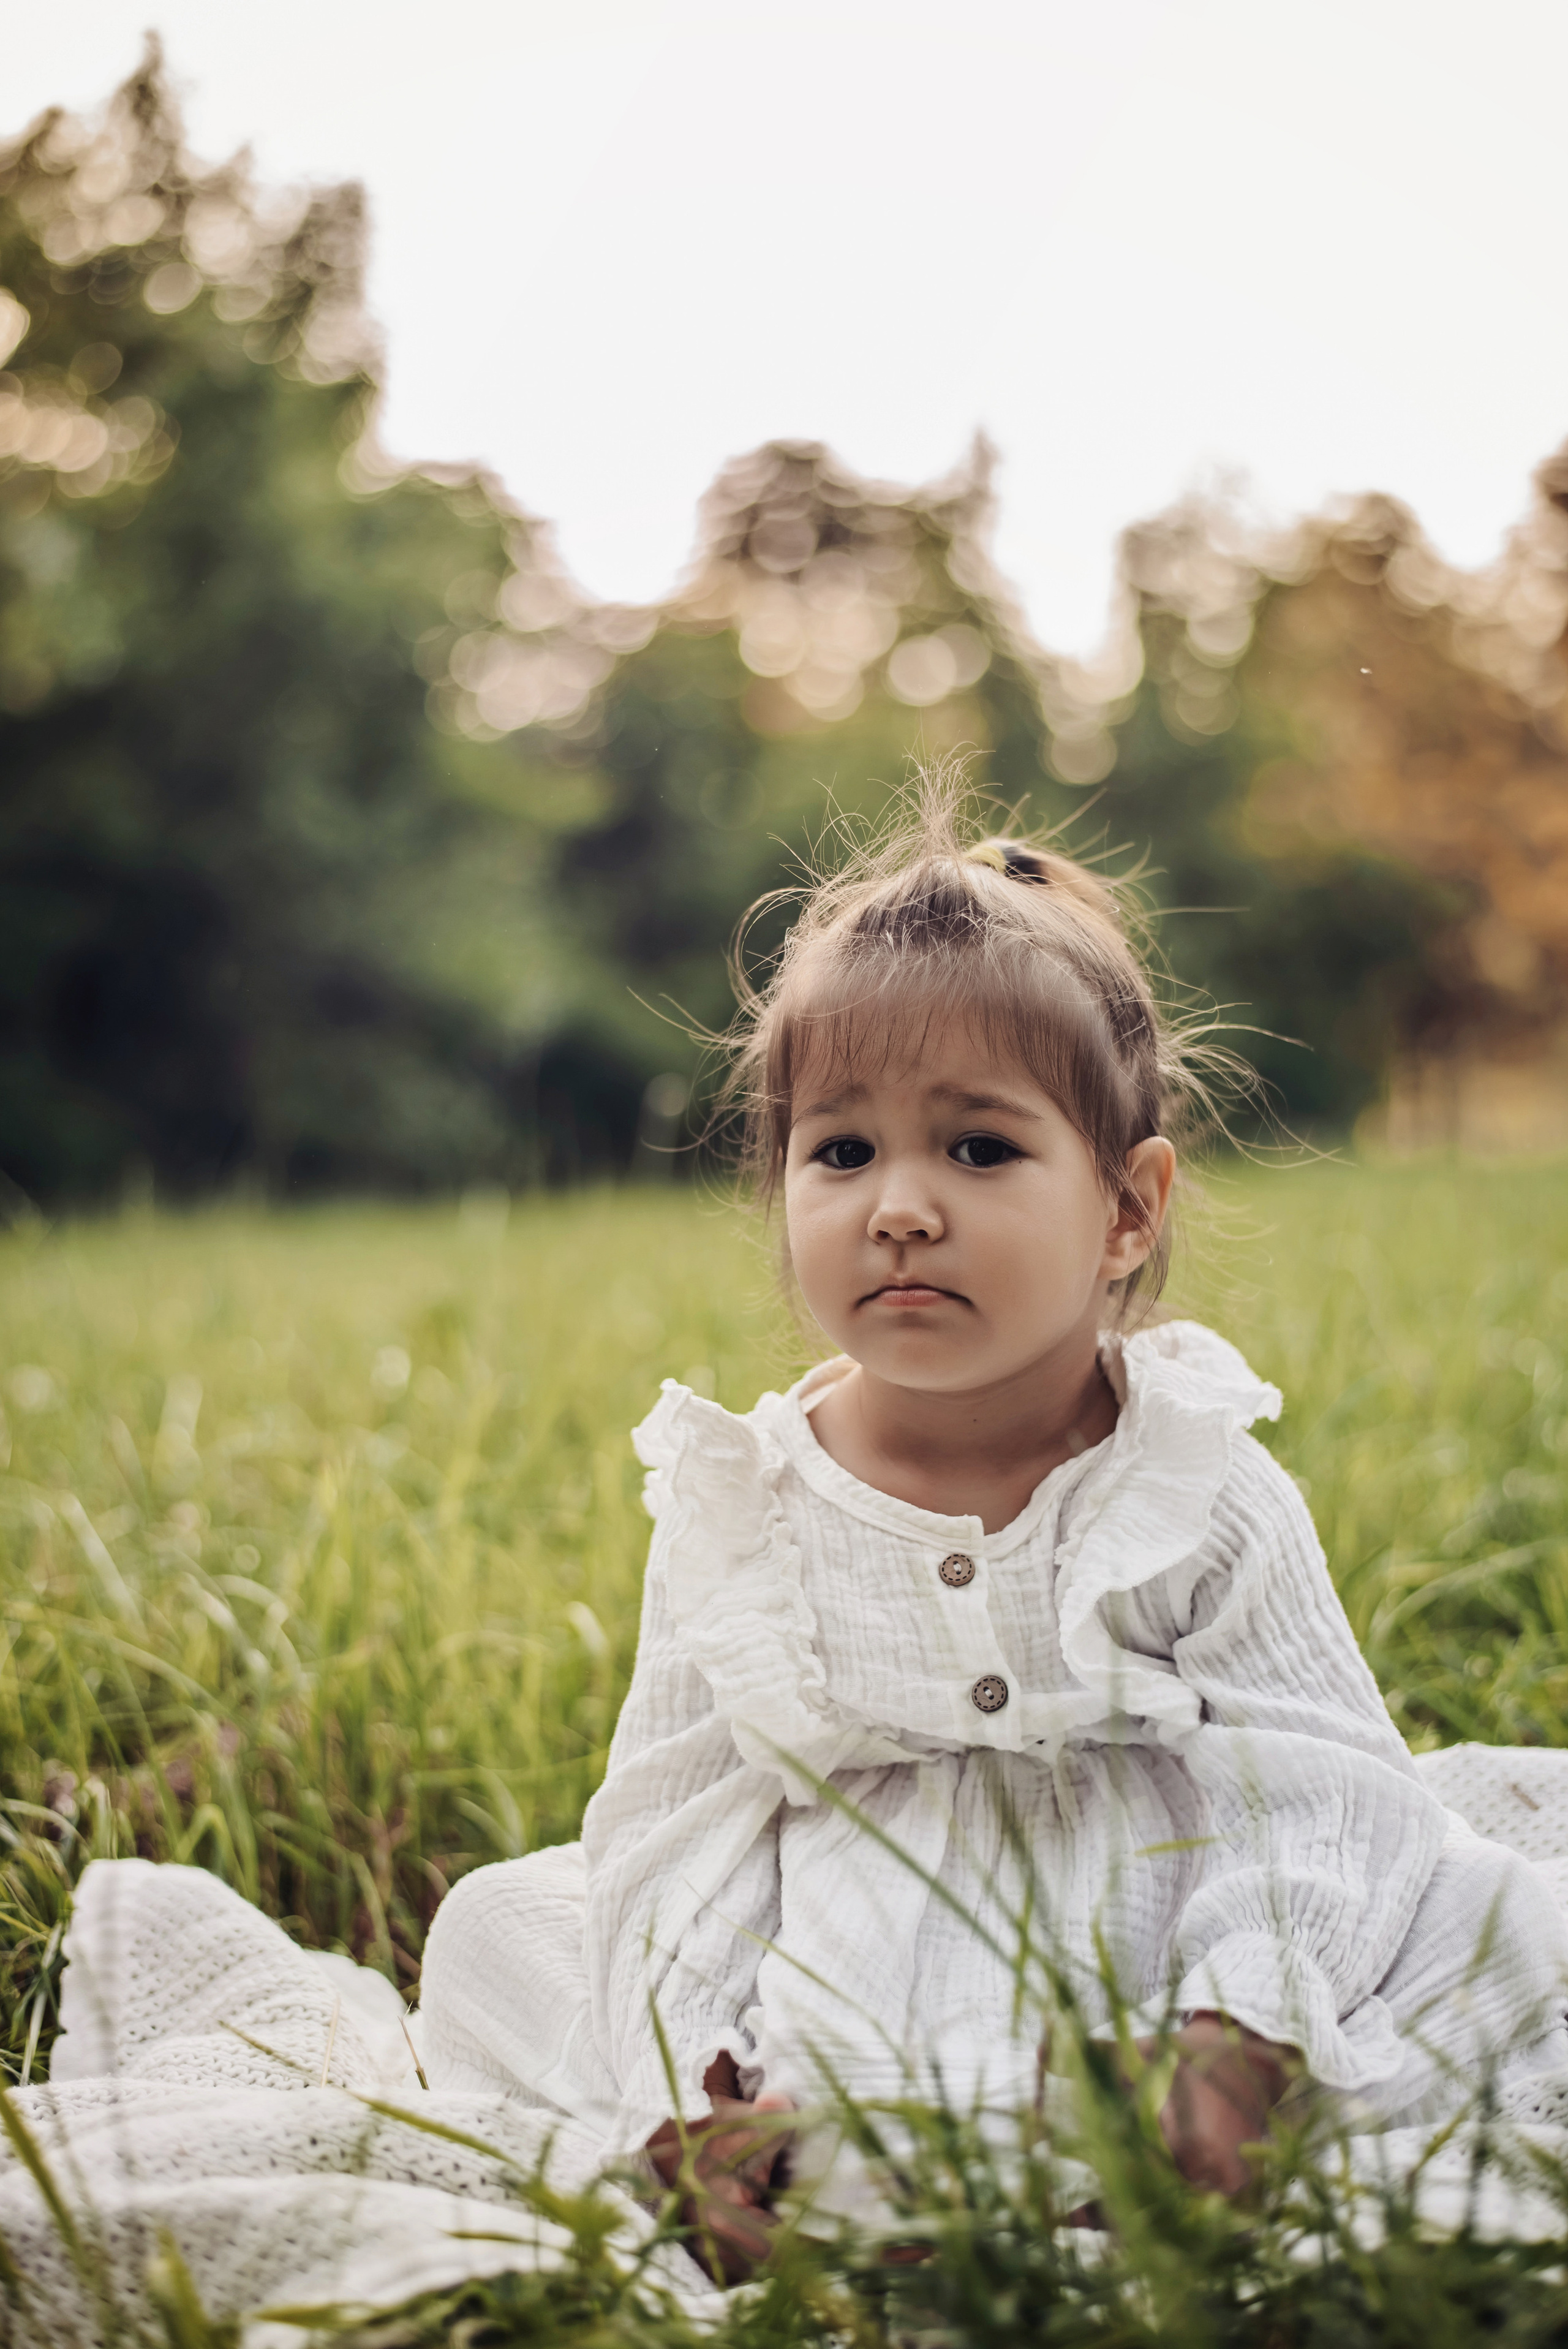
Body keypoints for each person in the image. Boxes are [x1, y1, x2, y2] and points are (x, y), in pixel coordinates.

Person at [415, 784, 1568, 2277]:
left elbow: (1312, 1776)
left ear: (1126, 1211)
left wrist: (1241, 2024)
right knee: (506, 1928)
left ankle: (1173, 2131)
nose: (897, 1208)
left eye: (976, 1150)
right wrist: (680, 2071)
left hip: (1158, 1929)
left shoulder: (1188, 1481)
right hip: (853, 1960)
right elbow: (679, 1820)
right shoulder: (745, 1504)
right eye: (839, 1154)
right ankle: (786, 2167)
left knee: (1488, 1909)